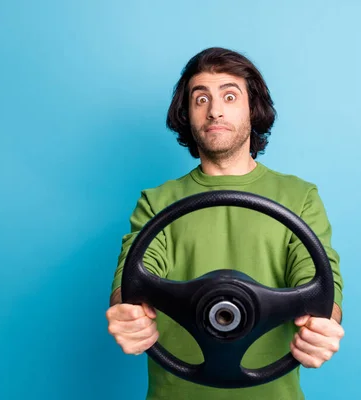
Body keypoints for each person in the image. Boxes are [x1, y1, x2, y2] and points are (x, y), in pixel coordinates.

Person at [106, 47, 345, 400]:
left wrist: (323, 328)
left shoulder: (300, 196)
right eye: (200, 99)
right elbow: (128, 287)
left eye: (229, 96)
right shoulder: (157, 202)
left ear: (253, 108)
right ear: (187, 114)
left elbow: (324, 289)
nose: (214, 110)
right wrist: (129, 318)